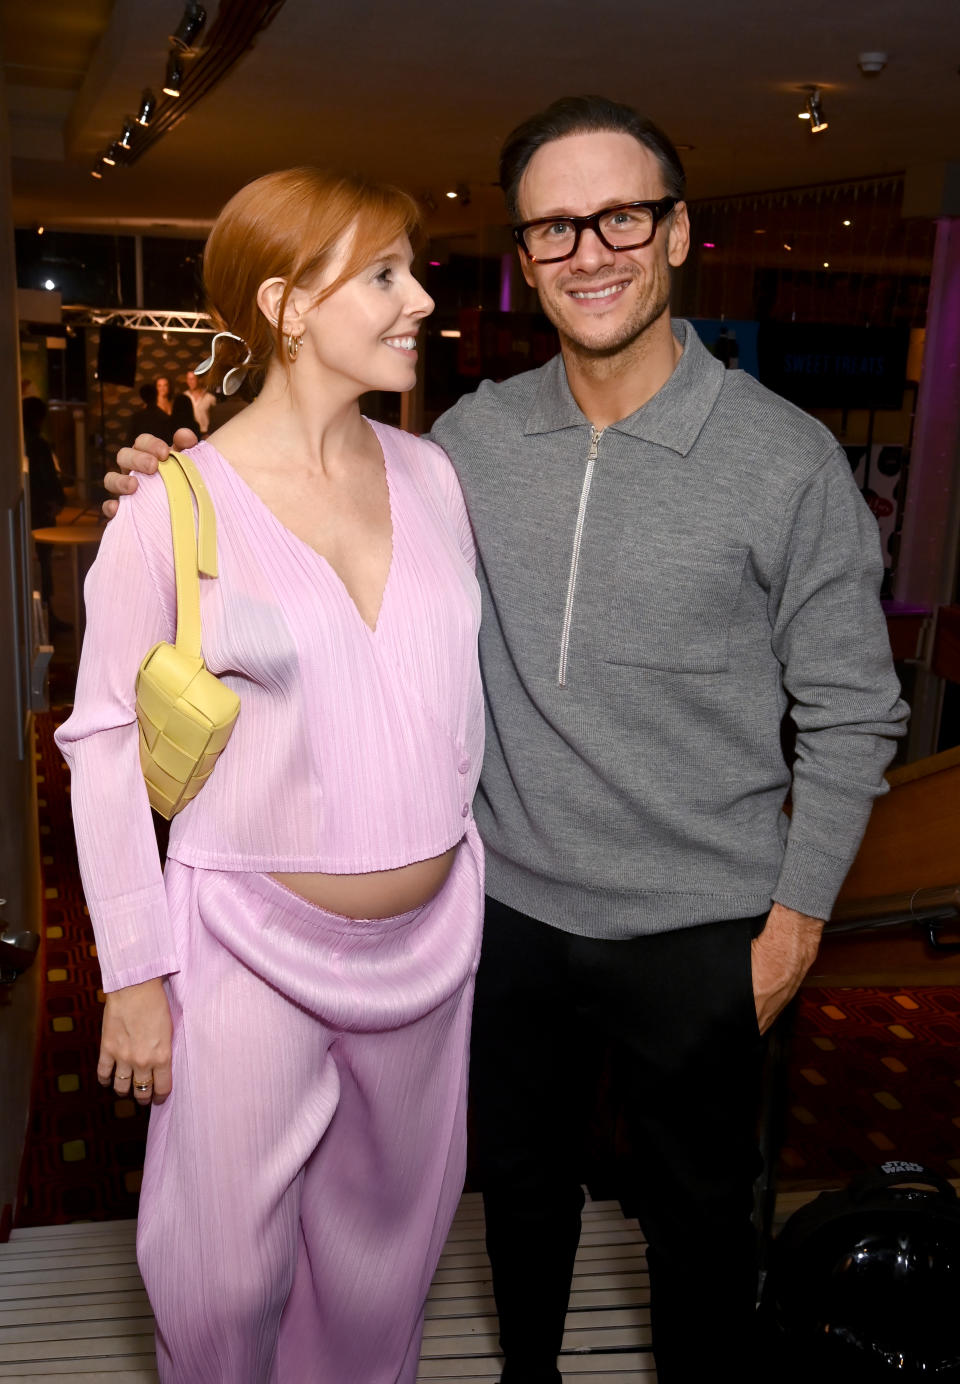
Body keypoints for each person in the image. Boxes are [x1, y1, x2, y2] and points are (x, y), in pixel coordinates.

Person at [106, 95, 908, 1383]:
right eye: (554, 228)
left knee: (700, 1226)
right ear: (526, 258)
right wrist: (177, 483)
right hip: (504, 917)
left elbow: (856, 707)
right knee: (513, 1207)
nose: (591, 250)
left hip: (701, 925)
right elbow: (317, 498)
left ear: (681, 232)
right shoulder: (466, 444)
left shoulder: (787, 460)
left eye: (622, 216)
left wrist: (798, 917)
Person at [61, 166, 484, 1384]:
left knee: (382, 1263)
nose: (420, 303)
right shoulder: (170, 508)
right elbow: (97, 742)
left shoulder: (432, 475)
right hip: (242, 938)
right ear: (288, 307)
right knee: (219, 1272)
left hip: (433, 946)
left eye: (418, 270)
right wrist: (135, 972)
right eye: (386, 275)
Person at [23, 395, 67, 625]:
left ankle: (34, 619)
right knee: (44, 562)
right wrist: (58, 500)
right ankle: (47, 617)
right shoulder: (39, 445)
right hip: (42, 510)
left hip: (26, 509)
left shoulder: (16, 443)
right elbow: (48, 478)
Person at [125, 382, 174, 447]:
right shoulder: (164, 417)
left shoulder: (136, 417)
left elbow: (129, 441)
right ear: (156, 394)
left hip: (140, 453)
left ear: (142, 398)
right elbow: (169, 442)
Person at [183, 367, 217, 435]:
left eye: (192, 379)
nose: (190, 381)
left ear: (199, 380)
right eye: (188, 379)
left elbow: (216, 419)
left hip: (206, 434)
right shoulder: (184, 397)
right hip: (190, 434)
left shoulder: (210, 398)